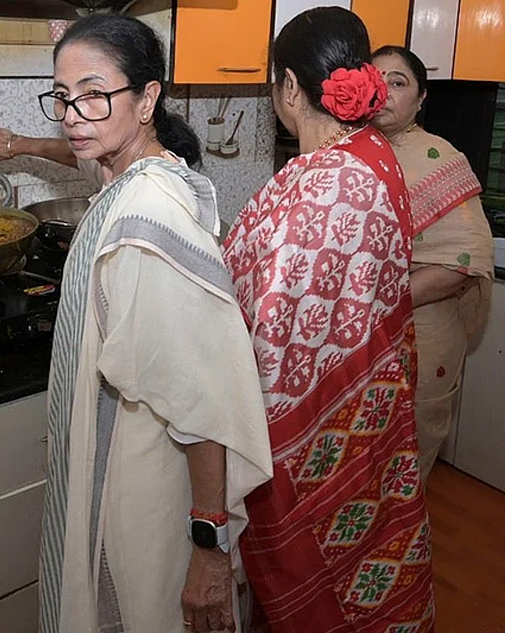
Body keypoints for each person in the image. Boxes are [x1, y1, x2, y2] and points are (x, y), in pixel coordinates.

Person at [0, 14, 273, 633]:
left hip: (143, 486)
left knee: (141, 607)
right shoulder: (136, 167)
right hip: (130, 460)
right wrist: (22, 145)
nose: (72, 115)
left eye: (93, 94)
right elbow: (79, 150)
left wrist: (209, 546)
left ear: (147, 99)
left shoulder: (147, 221)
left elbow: (203, 403)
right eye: (62, 97)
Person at [221, 7, 436, 632]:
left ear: (290, 87)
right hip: (370, 396)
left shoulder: (318, 187)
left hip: (312, 426)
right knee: (371, 542)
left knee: (322, 576)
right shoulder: (373, 153)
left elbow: (271, 328)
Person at [371, 45, 494, 480]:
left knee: (407, 450)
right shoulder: (348, 153)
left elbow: (465, 259)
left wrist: (379, 302)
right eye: (375, 80)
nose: (384, 92)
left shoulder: (440, 159)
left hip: (422, 331)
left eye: (398, 82)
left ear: (421, 98)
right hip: (361, 339)